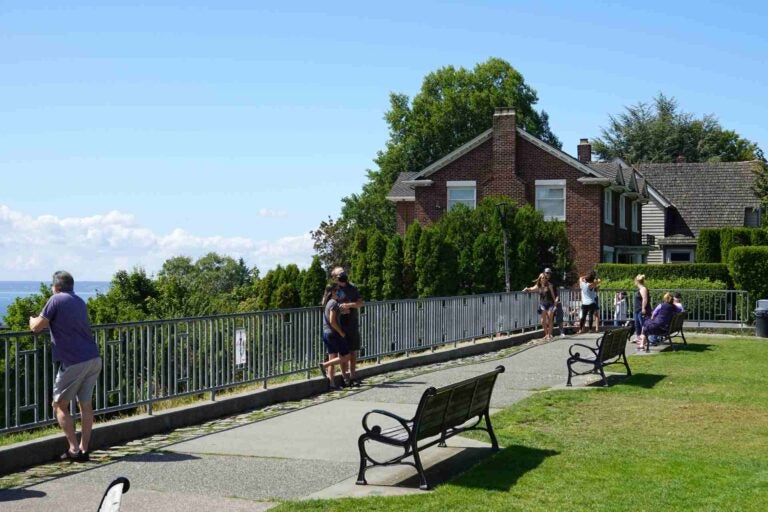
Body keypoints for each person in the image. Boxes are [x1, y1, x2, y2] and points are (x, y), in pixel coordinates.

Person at [29, 271, 101, 463]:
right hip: (93, 358)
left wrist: (31, 319)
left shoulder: (56, 299)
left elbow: (37, 326)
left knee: (59, 405)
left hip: (74, 360)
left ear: (56, 286)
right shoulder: (79, 301)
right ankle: (85, 449)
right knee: (85, 404)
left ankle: (74, 450)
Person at [331, 266, 364, 386]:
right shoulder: (334, 289)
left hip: (352, 323)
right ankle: (344, 377)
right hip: (339, 324)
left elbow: (360, 302)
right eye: (340, 273)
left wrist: (349, 305)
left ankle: (353, 376)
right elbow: (327, 306)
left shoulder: (352, 287)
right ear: (334, 277)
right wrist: (339, 309)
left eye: (343, 272)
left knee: (353, 351)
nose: (343, 274)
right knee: (343, 352)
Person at [318, 284, 351, 390]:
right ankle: (324, 365)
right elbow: (332, 321)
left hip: (326, 333)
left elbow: (338, 313)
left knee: (333, 357)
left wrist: (344, 310)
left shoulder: (328, 303)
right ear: (332, 292)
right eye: (337, 291)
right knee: (346, 356)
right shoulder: (333, 303)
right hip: (334, 333)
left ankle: (332, 384)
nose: (339, 292)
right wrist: (341, 332)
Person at [523, 272, 557, 340]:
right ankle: (546, 334)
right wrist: (526, 289)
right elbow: (532, 289)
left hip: (550, 304)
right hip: (543, 304)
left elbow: (553, 295)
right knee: (542, 321)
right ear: (540, 279)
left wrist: (555, 303)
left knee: (550, 320)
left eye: (544, 278)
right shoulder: (538, 286)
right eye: (542, 278)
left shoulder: (549, 285)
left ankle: (549, 335)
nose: (543, 279)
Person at [544, 268, 566, 337]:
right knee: (550, 318)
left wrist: (557, 299)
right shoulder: (542, 282)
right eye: (547, 273)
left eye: (549, 273)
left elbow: (557, 292)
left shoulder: (553, 282)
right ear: (544, 273)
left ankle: (561, 332)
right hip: (549, 303)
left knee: (559, 317)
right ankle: (549, 333)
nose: (548, 274)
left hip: (556, 302)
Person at [633, 274, 652, 343]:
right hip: (637, 310)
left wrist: (643, 308)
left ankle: (644, 339)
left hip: (641, 310)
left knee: (643, 324)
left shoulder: (643, 289)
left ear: (637, 281)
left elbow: (645, 299)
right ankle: (639, 338)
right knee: (637, 325)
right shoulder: (641, 289)